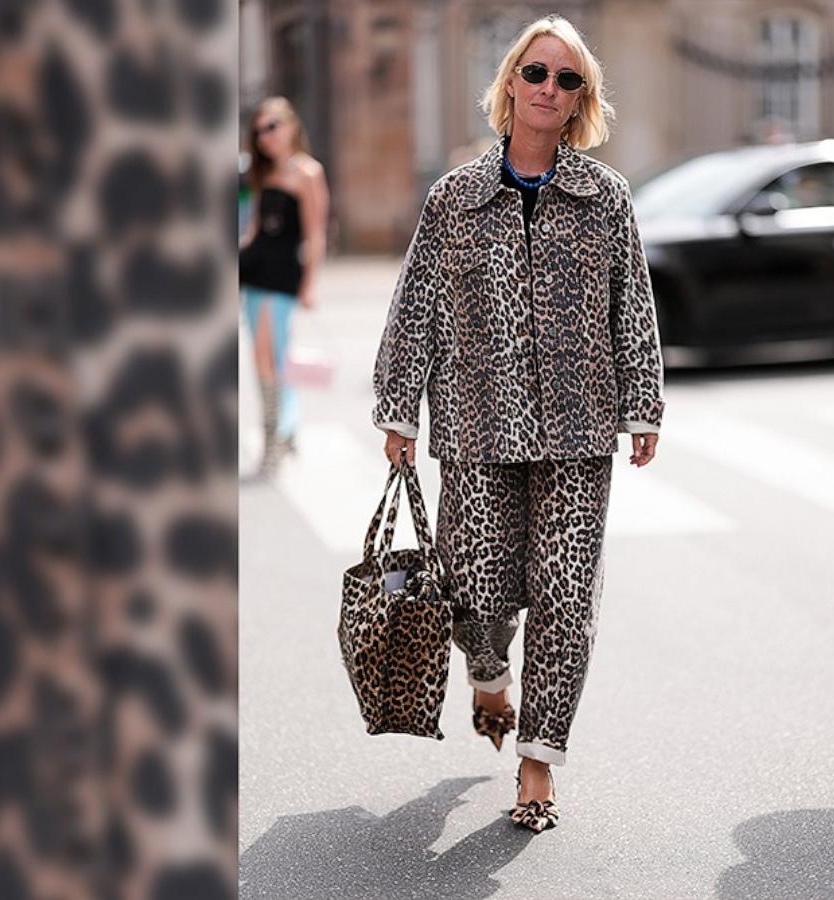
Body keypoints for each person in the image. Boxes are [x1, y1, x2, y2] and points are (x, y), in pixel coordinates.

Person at [370, 14, 664, 833]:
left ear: (581, 101)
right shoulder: (455, 198)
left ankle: (537, 763)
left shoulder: (606, 199)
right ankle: (491, 678)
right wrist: (399, 406)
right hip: (474, 426)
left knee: (567, 597)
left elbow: (631, 307)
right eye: (536, 73)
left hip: (578, 430)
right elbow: (418, 305)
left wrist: (644, 403)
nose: (548, 89)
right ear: (509, 84)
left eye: (567, 81)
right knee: (478, 593)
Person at [239, 97, 330, 476]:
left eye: (272, 126)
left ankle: (273, 441)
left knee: (267, 356)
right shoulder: (262, 175)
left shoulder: (308, 172)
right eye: (259, 131)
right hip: (253, 271)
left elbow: (316, 232)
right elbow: (255, 229)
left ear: (292, 126)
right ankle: (283, 431)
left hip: (283, 275)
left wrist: (311, 283)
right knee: (267, 357)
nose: (265, 137)